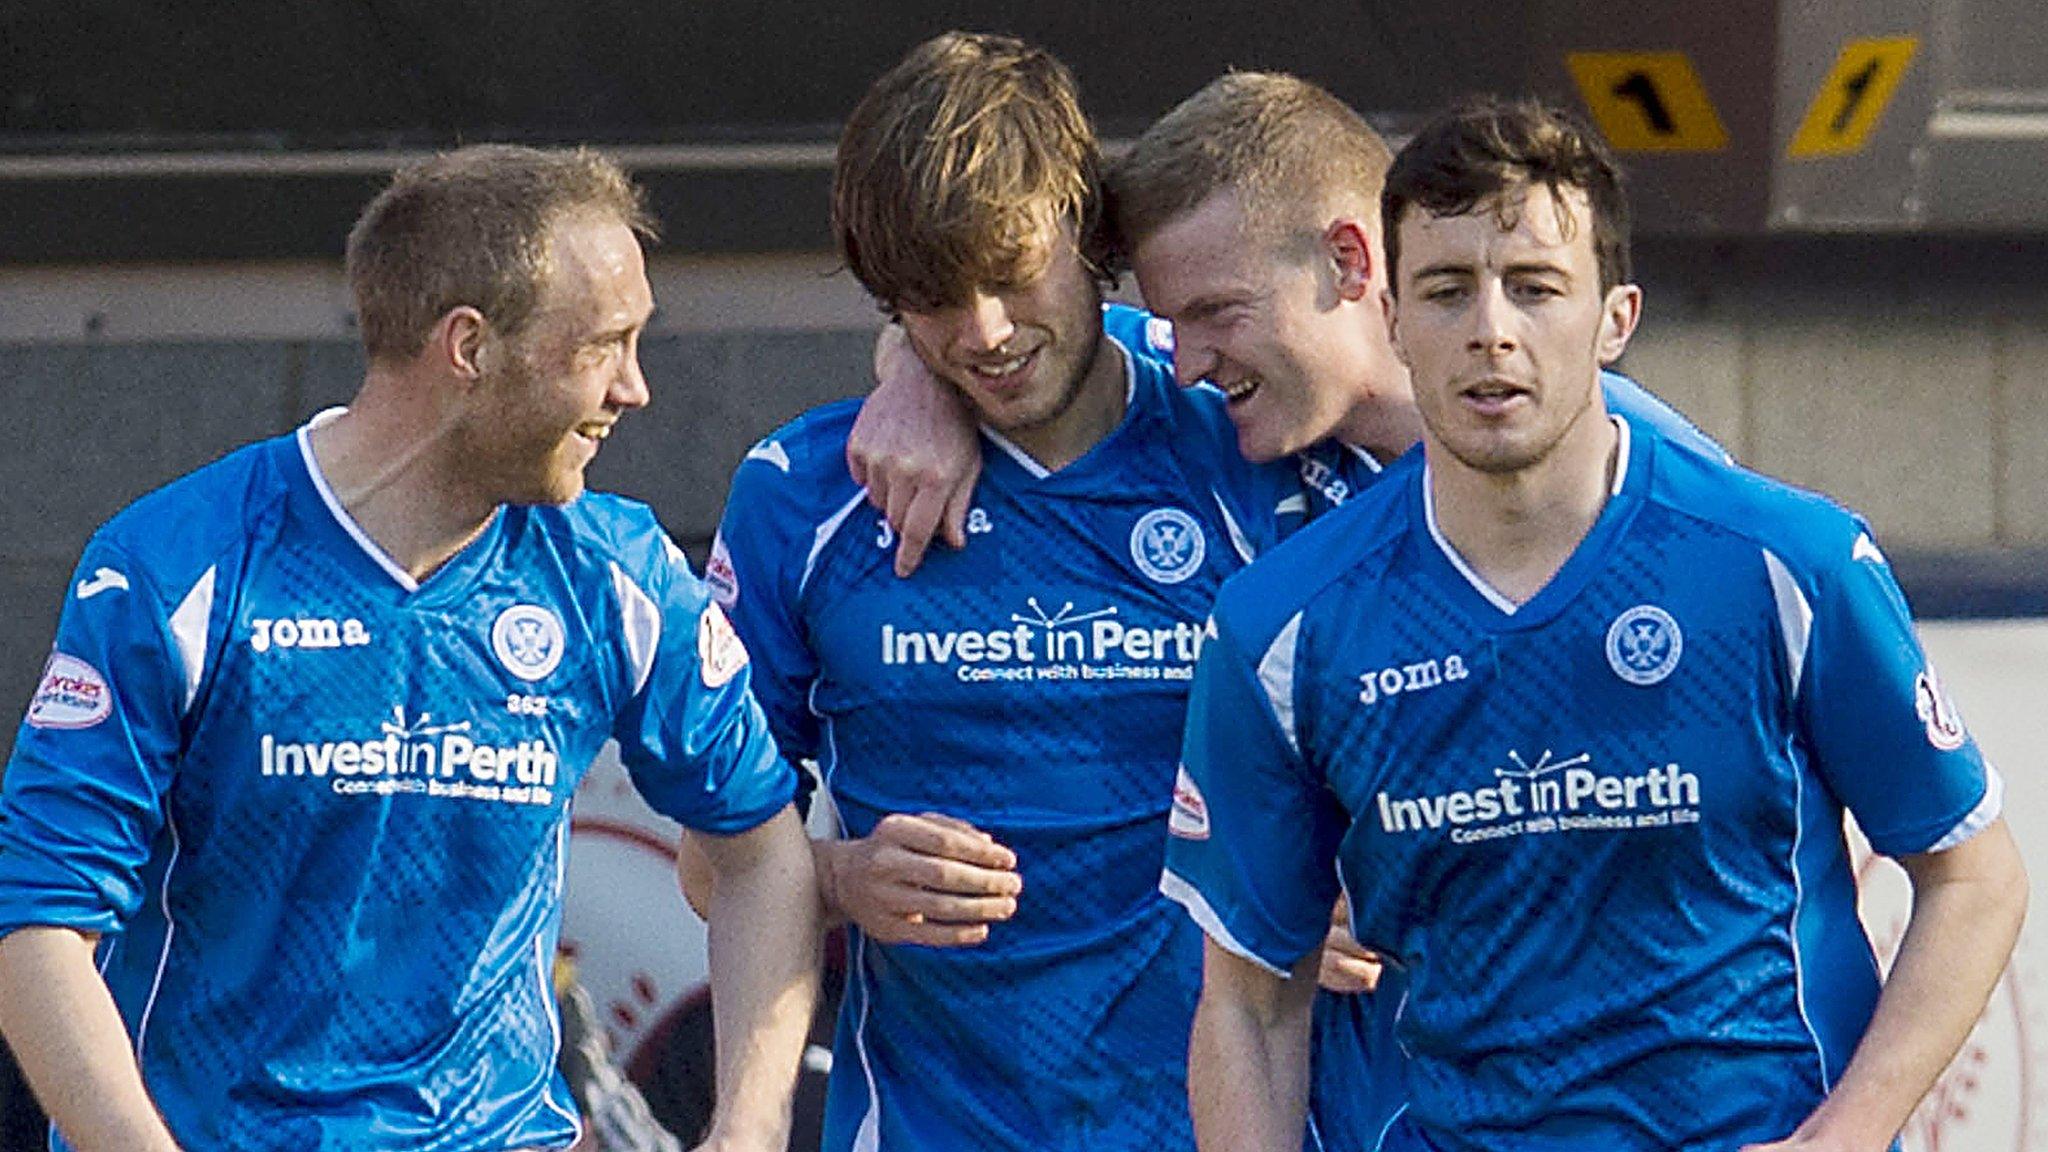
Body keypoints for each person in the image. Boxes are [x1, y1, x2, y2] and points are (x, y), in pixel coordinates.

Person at [845, 70, 1730, 1152]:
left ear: (1351, 266)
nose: (1185, 357)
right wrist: (914, 373)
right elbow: (1016, 332)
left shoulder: (1640, 487)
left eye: (1211, 316)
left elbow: (1679, 833)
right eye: (1172, 323)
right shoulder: (1280, 447)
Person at [1163, 98, 2027, 1152]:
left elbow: (1969, 874)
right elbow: (1250, 1003)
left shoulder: (1783, 564)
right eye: (1445, 290)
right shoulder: (1281, 628)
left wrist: (1840, 1137)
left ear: (1613, 317)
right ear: (1389, 316)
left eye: (1533, 288)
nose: (1490, 330)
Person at [0, 145, 821, 1152]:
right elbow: (36, 924)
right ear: (468, 346)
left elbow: (761, 851)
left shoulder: (613, 570)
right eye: (604, 344)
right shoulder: (181, 565)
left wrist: (746, 1128)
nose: (634, 389)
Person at [696, 31, 1296, 1152]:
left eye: (1010, 270)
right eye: (928, 300)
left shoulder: (1249, 441)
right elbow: (718, 859)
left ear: (1084, 220)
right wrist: (835, 875)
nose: (983, 332)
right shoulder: (803, 497)